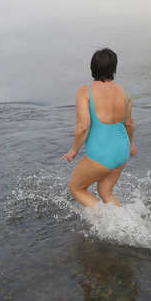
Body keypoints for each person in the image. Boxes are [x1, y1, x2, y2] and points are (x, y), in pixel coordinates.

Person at [62, 48, 136, 207]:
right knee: (105, 191)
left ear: (92, 67)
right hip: (122, 151)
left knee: (76, 188)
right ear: (114, 69)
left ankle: (110, 221)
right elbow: (129, 123)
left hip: (101, 154)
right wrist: (131, 144)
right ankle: (126, 223)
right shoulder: (125, 92)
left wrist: (74, 150)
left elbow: (83, 126)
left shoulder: (85, 91)